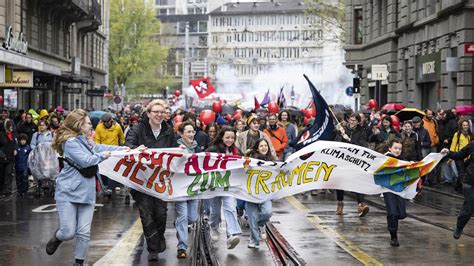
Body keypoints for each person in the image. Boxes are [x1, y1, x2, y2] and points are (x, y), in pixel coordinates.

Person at [46, 109, 129, 265]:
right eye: (89, 124)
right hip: (67, 192)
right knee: (68, 232)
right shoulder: (70, 143)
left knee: (84, 232)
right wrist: (105, 156)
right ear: (79, 125)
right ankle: (58, 237)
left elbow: (99, 148)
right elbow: (87, 160)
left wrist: (122, 150)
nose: (92, 126)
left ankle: (79, 263)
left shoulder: (87, 140)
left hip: (86, 192)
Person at [125, 99, 177, 261]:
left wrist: (181, 149)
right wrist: (135, 149)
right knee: (146, 214)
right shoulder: (137, 129)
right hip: (141, 181)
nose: (159, 115)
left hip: (160, 181)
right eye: (156, 112)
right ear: (148, 113)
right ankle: (153, 248)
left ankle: (158, 238)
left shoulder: (169, 131)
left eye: (162, 112)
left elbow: (175, 150)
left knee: (161, 214)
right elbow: (128, 145)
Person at [206, 126, 242, 249]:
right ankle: (214, 227)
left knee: (231, 209)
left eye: (232, 137)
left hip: (229, 187)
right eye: (227, 137)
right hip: (215, 186)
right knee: (215, 211)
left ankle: (231, 235)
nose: (230, 140)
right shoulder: (212, 149)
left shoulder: (236, 151)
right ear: (222, 137)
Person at [335, 113, 369, 217]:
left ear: (358, 121)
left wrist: (350, 140)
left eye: (354, 120)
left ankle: (361, 204)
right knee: (340, 182)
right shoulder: (343, 129)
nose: (352, 122)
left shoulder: (362, 131)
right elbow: (336, 143)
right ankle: (340, 203)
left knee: (357, 182)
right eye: (350, 120)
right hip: (343, 159)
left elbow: (362, 145)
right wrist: (338, 133)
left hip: (355, 160)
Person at [175, 121, 200, 258]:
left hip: (194, 188)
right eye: (188, 132)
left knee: (192, 217)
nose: (191, 134)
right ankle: (182, 247)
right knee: (183, 217)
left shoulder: (198, 148)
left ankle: (180, 224)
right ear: (181, 134)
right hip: (180, 188)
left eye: (193, 132)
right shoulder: (176, 148)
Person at [441, 141, 474, 240]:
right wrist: (448, 152)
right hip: (470, 182)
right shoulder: (473, 144)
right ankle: (459, 227)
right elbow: (460, 155)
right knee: (469, 208)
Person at [245, 138, 274, 249]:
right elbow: (244, 171)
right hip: (251, 193)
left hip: (265, 193)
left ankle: (261, 224)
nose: (264, 148)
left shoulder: (272, 160)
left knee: (267, 212)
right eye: (261, 146)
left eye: (265, 145)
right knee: (252, 218)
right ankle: (254, 240)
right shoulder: (251, 159)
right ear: (257, 148)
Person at [383, 138, 407, 247]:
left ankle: (393, 225)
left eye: (400, 149)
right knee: (392, 212)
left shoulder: (403, 160)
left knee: (401, 214)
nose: (398, 150)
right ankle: (393, 236)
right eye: (395, 148)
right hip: (388, 189)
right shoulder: (385, 159)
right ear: (390, 148)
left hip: (399, 189)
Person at [94, 113, 125, 192]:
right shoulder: (99, 127)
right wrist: (99, 151)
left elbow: (122, 139)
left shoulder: (117, 127)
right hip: (103, 153)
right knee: (103, 170)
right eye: (105, 122)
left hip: (114, 153)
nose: (106, 123)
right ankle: (104, 186)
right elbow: (97, 140)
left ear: (111, 120)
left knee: (112, 171)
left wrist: (122, 149)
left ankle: (111, 188)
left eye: (108, 121)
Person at [450, 119, 472, 192]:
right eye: (464, 125)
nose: (466, 126)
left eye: (467, 125)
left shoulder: (469, 134)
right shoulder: (457, 134)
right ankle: (461, 189)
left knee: (465, 173)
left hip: (467, 157)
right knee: (461, 173)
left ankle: (457, 186)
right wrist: (451, 156)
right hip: (459, 156)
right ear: (461, 126)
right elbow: (453, 145)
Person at [0, 120, 17, 197]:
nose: (12, 128)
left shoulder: (13, 135)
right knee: (2, 175)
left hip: (10, 158)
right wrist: (2, 155)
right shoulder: (1, 134)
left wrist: (15, 149)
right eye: (10, 126)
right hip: (2, 158)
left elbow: (15, 143)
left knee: (8, 173)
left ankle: (7, 190)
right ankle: (2, 190)